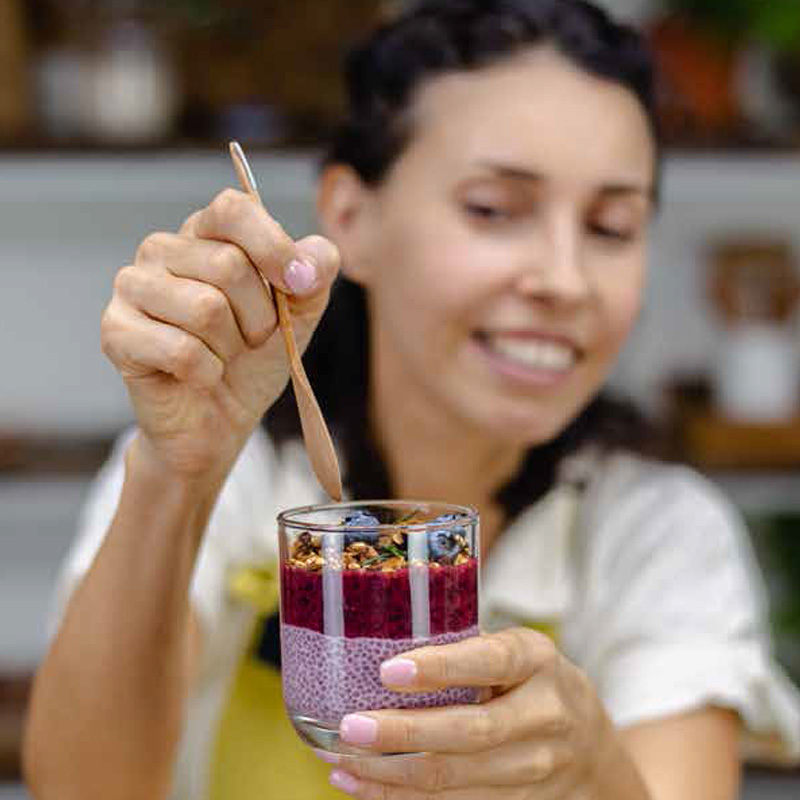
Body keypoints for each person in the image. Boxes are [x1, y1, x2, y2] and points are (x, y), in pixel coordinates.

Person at [24, 1, 800, 799]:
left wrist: (593, 771)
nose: (565, 281)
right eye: (493, 210)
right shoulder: (240, 482)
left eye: (610, 226)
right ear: (351, 217)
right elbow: (80, 789)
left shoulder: (656, 533)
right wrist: (177, 475)